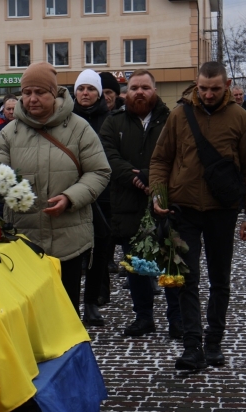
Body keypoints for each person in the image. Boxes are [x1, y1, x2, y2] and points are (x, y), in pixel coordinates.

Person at [149, 61, 246, 371]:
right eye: (203, 88)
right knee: (187, 279)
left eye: (215, 88)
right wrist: (158, 193)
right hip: (184, 210)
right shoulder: (179, 115)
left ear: (226, 86)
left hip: (222, 212)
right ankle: (191, 346)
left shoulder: (240, 118)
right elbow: (160, 159)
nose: (208, 94)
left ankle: (214, 342)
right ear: (196, 85)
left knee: (219, 279)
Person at [0, 62, 110, 313]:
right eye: (27, 92)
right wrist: (7, 189)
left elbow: (99, 171)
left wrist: (70, 197)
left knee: (65, 311)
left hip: (68, 237)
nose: (32, 99)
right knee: (31, 312)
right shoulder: (10, 132)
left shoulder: (78, 128)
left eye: (40, 92)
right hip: (24, 239)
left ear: (54, 93)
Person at [100, 69, 182, 339]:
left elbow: (180, 157)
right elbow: (108, 157)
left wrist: (155, 182)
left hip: (167, 202)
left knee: (171, 262)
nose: (139, 92)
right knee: (136, 264)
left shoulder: (172, 121)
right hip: (127, 203)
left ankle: (177, 320)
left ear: (154, 90)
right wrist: (137, 179)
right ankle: (144, 317)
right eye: (134, 87)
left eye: (145, 87)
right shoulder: (114, 123)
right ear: (127, 92)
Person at [72, 69, 111, 326]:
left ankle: (92, 302)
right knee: (74, 251)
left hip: (103, 193)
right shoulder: (66, 118)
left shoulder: (109, 119)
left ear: (99, 93)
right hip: (72, 191)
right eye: (81, 89)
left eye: (90, 89)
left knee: (101, 246)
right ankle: (71, 303)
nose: (85, 93)